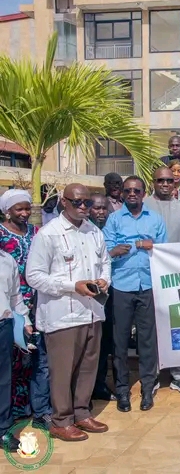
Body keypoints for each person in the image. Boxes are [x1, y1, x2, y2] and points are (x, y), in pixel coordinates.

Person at [26, 184, 112, 442]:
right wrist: (71, 286)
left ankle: (81, 412)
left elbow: (105, 261)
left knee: (88, 367)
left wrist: (104, 279)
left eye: (87, 202)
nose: (84, 207)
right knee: (62, 372)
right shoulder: (49, 234)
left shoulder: (93, 231)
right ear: (64, 202)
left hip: (92, 312)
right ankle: (61, 421)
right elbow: (34, 276)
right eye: (77, 202)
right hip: (62, 315)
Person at [103, 176, 167, 413]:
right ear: (122, 193)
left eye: (136, 190)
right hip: (121, 286)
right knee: (119, 341)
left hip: (148, 285)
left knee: (147, 340)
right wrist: (122, 249)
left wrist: (152, 246)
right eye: (128, 190)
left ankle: (148, 387)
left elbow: (164, 250)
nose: (132, 194)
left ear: (143, 193)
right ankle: (122, 389)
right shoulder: (114, 219)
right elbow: (106, 251)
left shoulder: (156, 219)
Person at [0, 190, 52, 428]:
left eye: (27, 208)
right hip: (10, 306)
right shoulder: (1, 235)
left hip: (38, 303)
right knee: (11, 360)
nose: (24, 213)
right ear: (7, 211)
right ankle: (12, 410)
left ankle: (38, 408)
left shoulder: (37, 233)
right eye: (18, 209)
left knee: (38, 356)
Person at [143, 167, 180, 396]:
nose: (165, 184)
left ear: (175, 183)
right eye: (160, 180)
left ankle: (179, 375)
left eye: (169, 180)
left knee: (179, 325)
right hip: (147, 276)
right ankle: (152, 375)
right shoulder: (143, 205)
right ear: (153, 182)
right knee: (151, 328)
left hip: (175, 276)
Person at [87, 194, 117, 404]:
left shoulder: (110, 228)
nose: (100, 212)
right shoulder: (84, 230)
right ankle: (83, 391)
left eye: (104, 208)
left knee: (104, 342)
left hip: (106, 293)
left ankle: (99, 385)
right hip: (84, 294)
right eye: (96, 208)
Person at [0, 248, 31, 450]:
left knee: (3, 380)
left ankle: (2, 429)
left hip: (3, 326)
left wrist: (25, 320)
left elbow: (15, 296)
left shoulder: (7, 260)